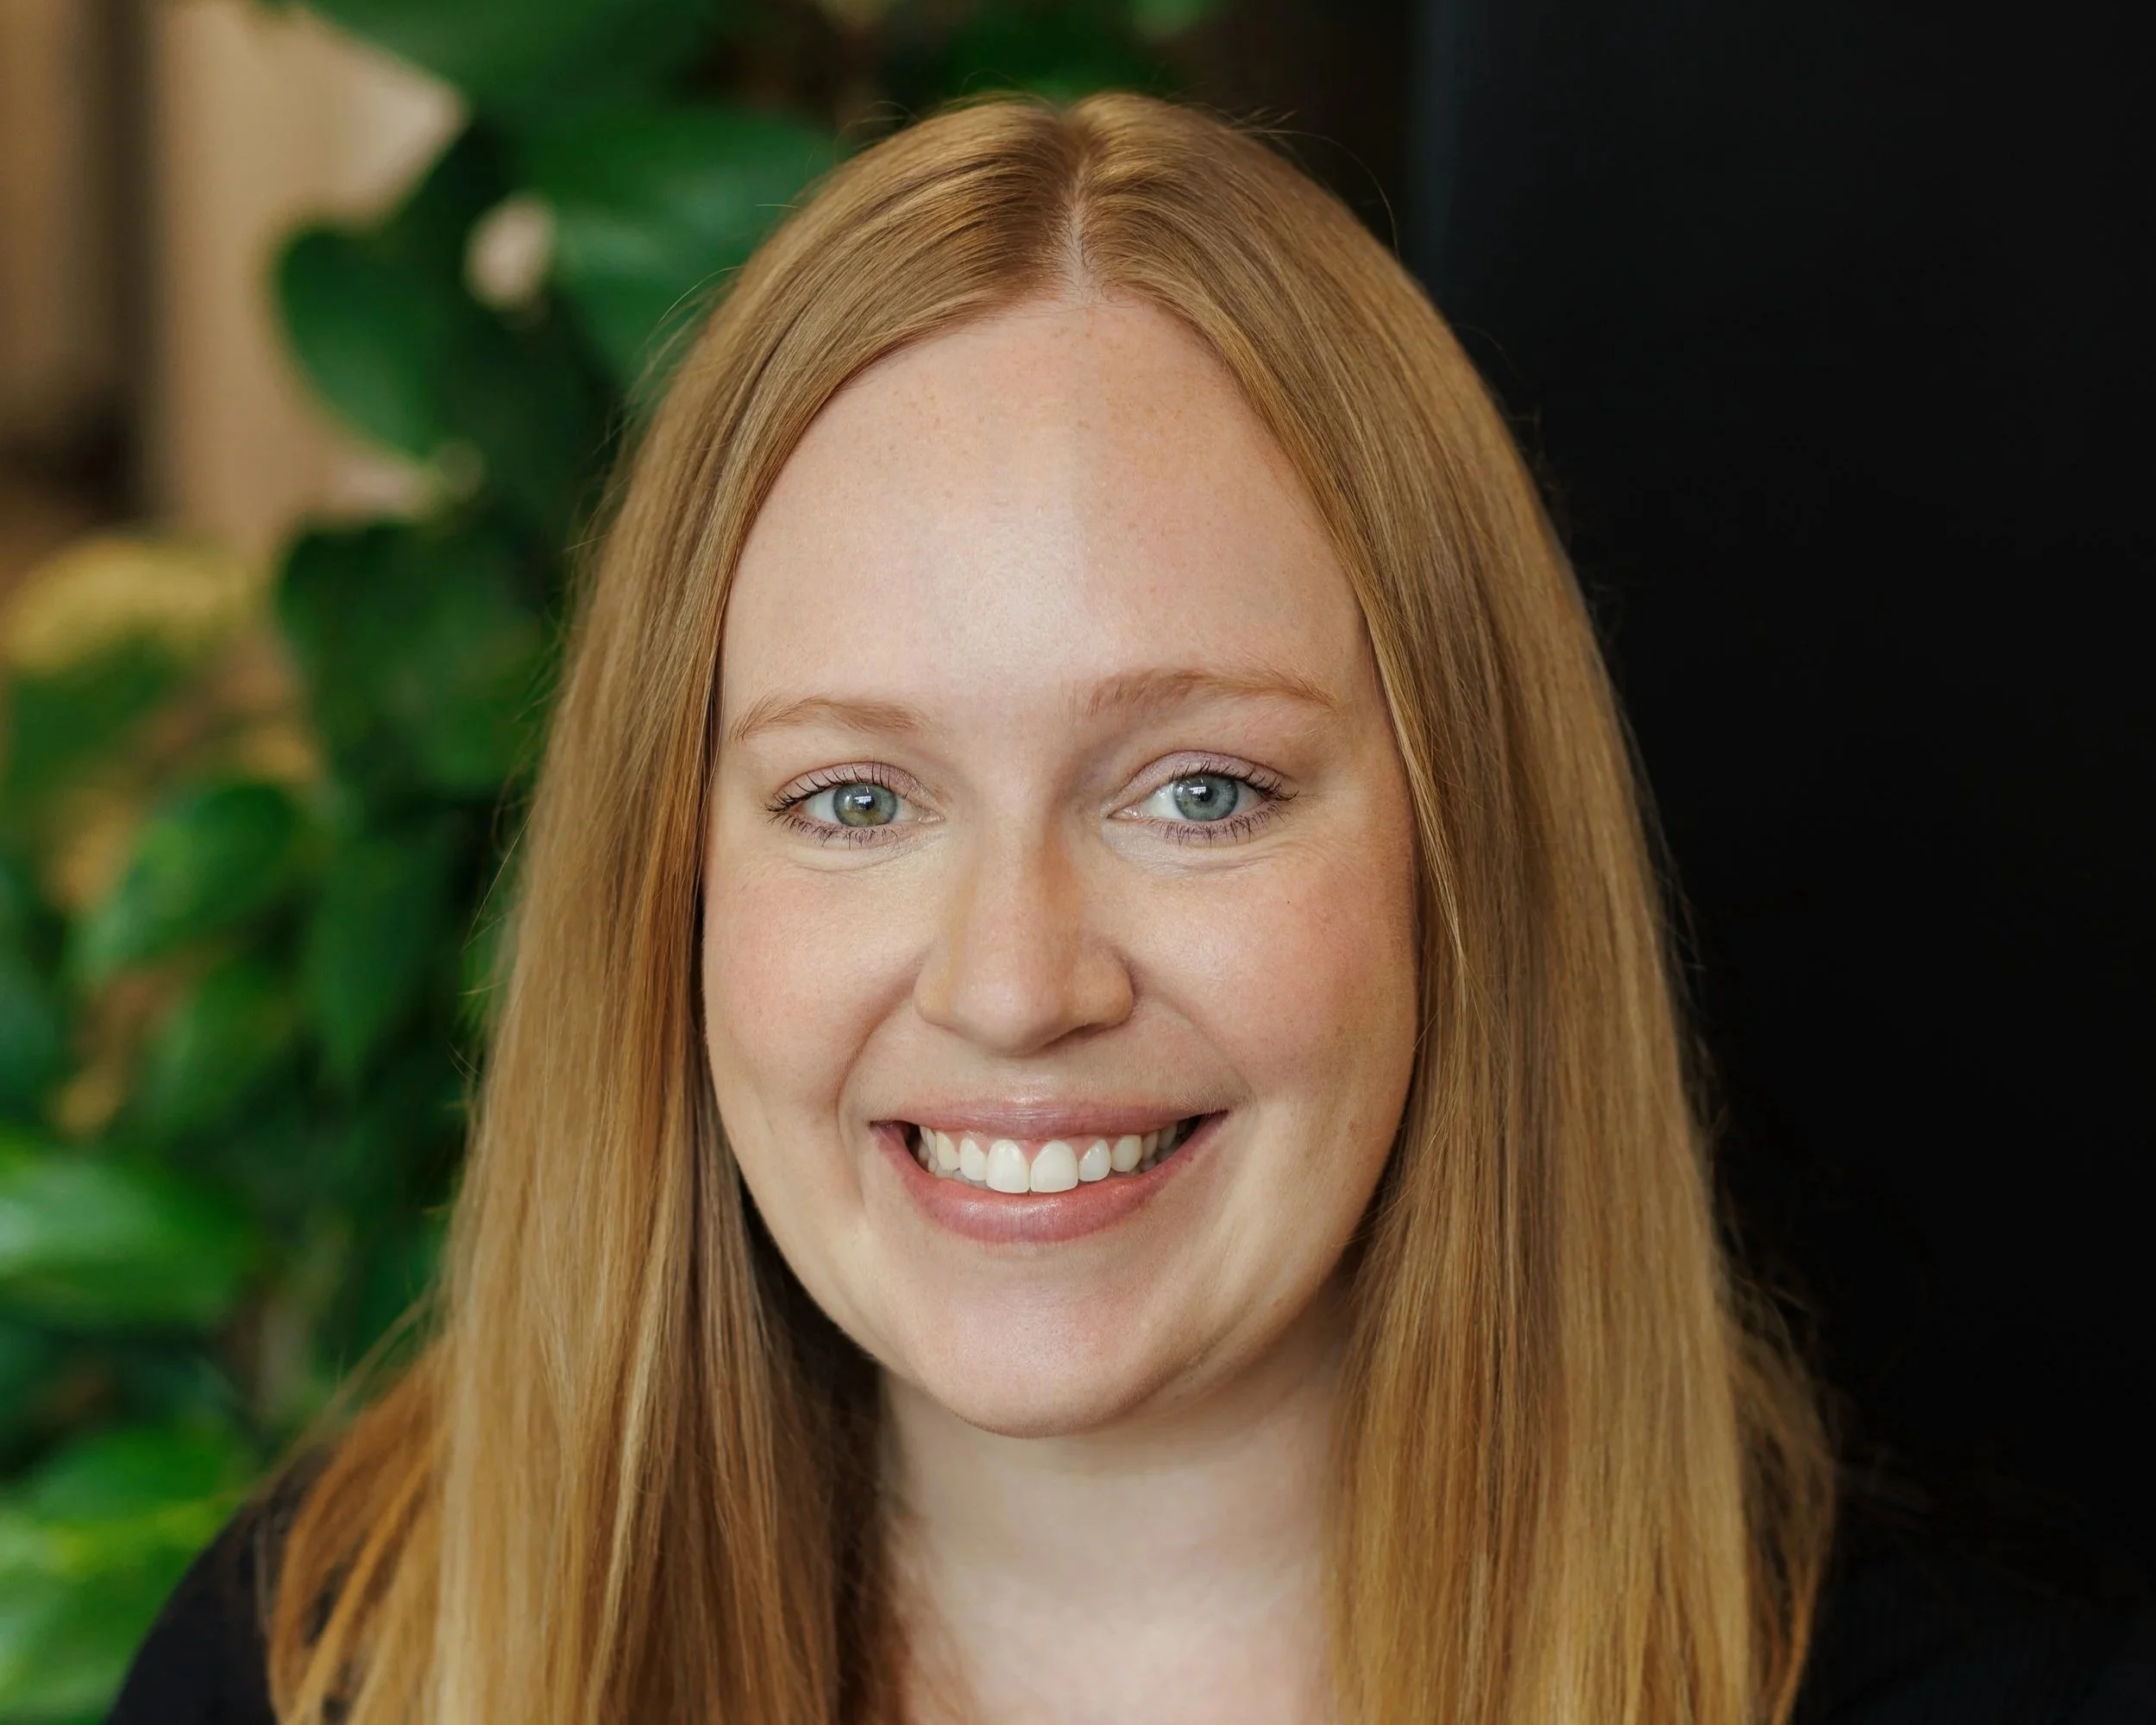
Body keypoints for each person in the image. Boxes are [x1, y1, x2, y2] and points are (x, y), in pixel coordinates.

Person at [113, 93, 2153, 1725]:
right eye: (851, 795)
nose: (1014, 985)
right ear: (674, 888)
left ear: (1472, 865)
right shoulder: (318, 1670)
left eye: (1199, 791)